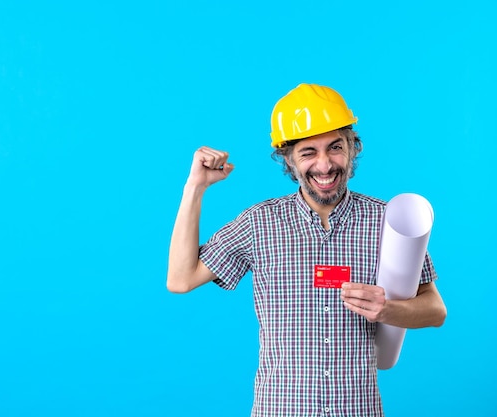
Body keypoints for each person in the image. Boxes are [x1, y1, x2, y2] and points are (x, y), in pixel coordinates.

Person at [166, 83, 447, 417]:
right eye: (308, 152)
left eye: (335, 147)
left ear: (352, 148)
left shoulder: (388, 221)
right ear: (289, 159)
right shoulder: (260, 223)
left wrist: (387, 310)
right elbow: (181, 279)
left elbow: (435, 310)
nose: (325, 165)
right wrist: (195, 187)